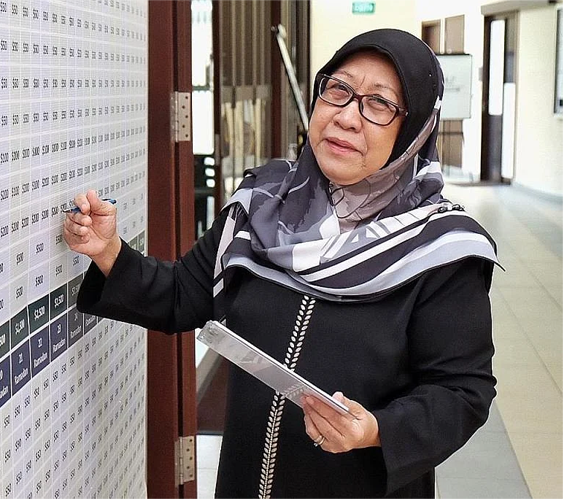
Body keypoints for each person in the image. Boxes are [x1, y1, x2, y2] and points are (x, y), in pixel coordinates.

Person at [64, 28, 499, 498]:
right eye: (339, 89)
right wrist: (108, 250)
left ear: (413, 132)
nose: (347, 117)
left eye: (379, 104)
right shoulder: (262, 203)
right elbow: (181, 296)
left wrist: (375, 430)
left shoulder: (440, 249)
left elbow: (461, 392)